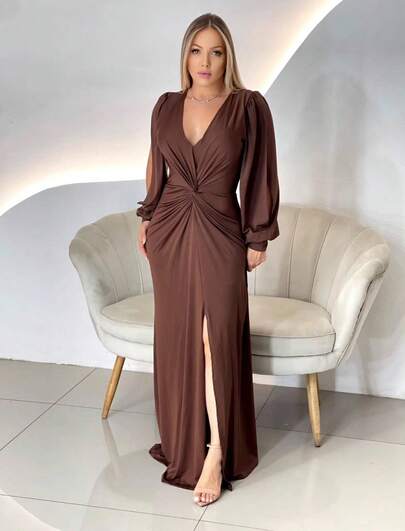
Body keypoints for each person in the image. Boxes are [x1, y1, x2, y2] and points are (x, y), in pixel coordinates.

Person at [136, 12, 280, 507]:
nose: (205, 61)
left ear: (227, 57)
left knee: (213, 336)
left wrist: (258, 236)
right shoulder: (165, 105)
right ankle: (187, 442)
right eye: (196, 51)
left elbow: (259, 173)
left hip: (221, 228)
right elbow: (156, 165)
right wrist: (148, 215)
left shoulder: (247, 107)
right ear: (185, 56)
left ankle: (218, 453)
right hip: (171, 230)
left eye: (215, 51)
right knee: (183, 338)